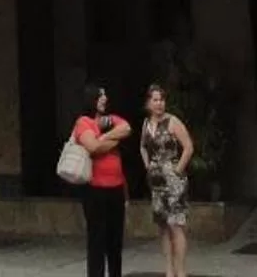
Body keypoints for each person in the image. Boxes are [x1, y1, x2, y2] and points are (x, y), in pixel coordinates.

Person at [71, 82, 132, 277]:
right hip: (95, 189)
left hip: (116, 188)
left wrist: (104, 138)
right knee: (97, 240)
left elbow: (127, 128)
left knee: (115, 241)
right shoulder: (83, 122)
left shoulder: (110, 120)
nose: (105, 98)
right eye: (100, 95)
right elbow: (92, 148)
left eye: (105, 95)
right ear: (91, 98)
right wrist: (112, 140)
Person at [140, 83, 194, 277]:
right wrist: (148, 166)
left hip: (173, 181)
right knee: (163, 226)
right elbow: (143, 146)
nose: (159, 104)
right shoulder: (147, 124)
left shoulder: (172, 121)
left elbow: (188, 147)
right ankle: (169, 270)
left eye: (161, 99)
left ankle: (181, 271)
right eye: (155, 100)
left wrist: (177, 169)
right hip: (156, 183)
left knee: (176, 225)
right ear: (148, 102)